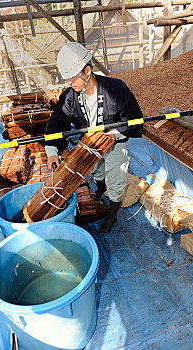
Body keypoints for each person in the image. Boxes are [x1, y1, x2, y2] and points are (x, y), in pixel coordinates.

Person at [45, 42, 143, 233]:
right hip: (91, 144)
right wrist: (51, 152)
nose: (70, 84)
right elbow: (57, 123)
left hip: (115, 142)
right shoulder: (70, 96)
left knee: (115, 179)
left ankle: (113, 212)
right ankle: (100, 188)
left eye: (73, 79)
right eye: (68, 80)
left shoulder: (115, 88)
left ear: (87, 71)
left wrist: (113, 135)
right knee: (96, 172)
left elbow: (135, 119)